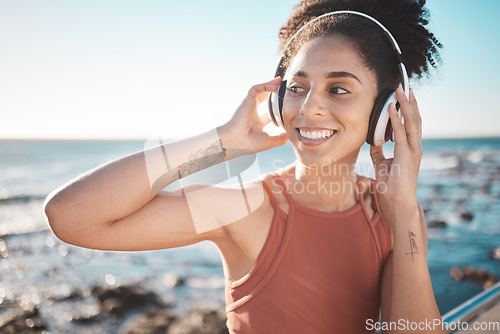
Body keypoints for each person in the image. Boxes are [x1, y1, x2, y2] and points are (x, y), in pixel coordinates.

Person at [43, 0, 446, 333]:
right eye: (297, 87)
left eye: (339, 89)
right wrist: (224, 143)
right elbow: (70, 216)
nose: (308, 108)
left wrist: (404, 206)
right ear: (278, 100)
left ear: (384, 111)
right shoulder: (246, 208)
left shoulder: (395, 211)